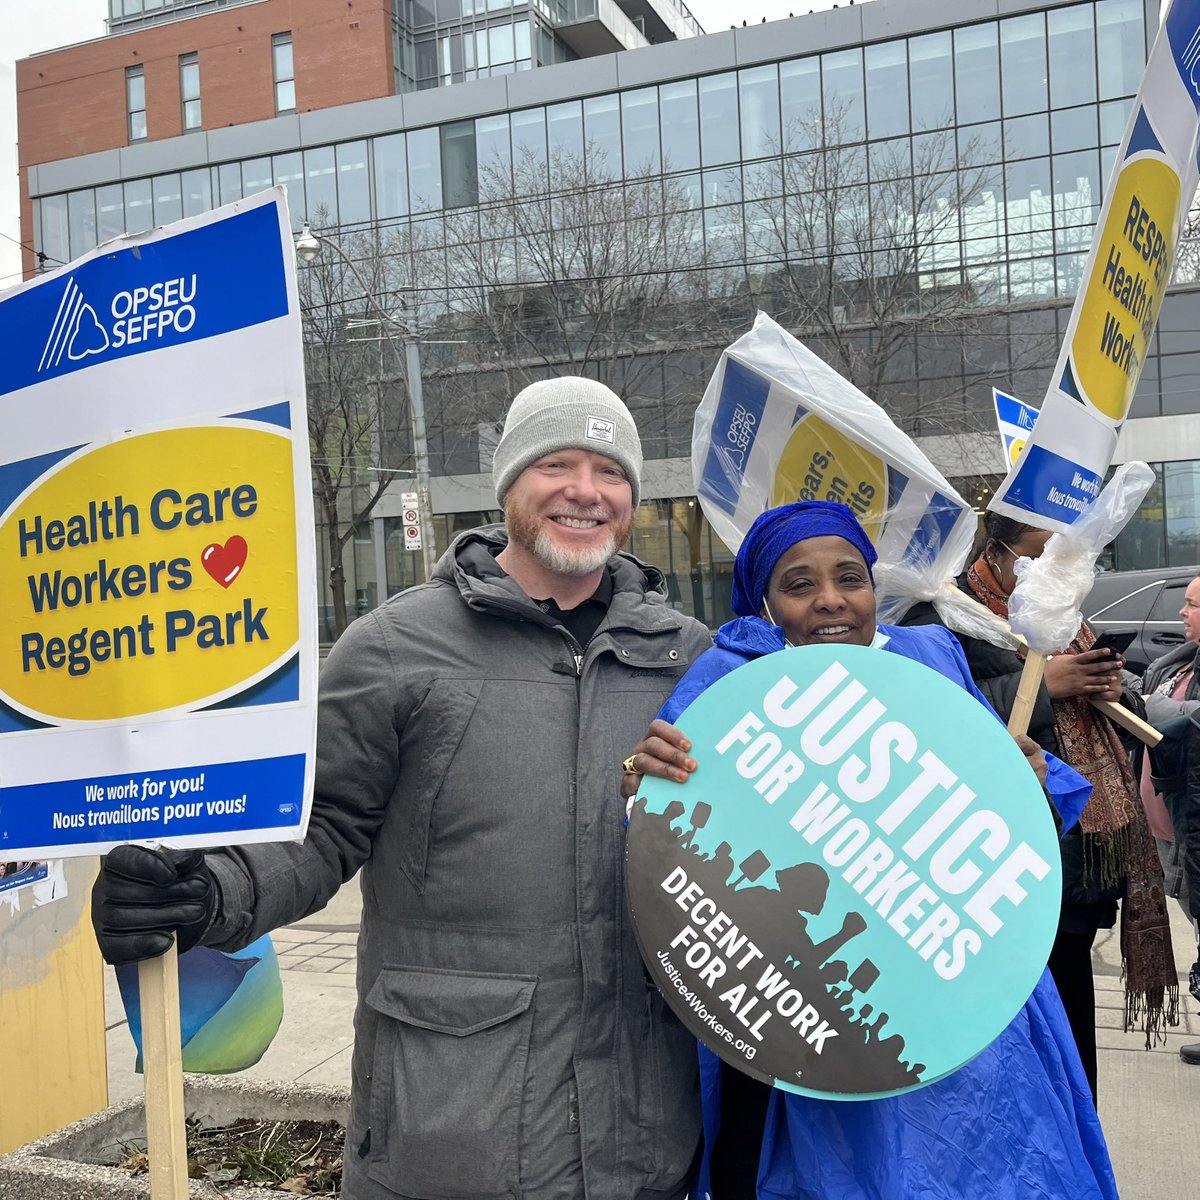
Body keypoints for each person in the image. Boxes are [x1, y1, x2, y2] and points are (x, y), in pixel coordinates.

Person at [90, 377, 714, 1200]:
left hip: (646, 1128)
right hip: (453, 1122)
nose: (584, 492)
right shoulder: (394, 646)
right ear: (509, 484)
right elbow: (322, 827)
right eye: (556, 464)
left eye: (609, 472)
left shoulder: (694, 660)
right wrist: (206, 890)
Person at [622, 500, 1117, 1200]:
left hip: (963, 1009)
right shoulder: (727, 683)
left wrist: (1022, 777)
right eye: (799, 584)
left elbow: (1011, 819)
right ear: (764, 600)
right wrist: (644, 786)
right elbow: (673, 855)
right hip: (817, 1020)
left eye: (849, 577)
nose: (830, 599)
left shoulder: (930, 655)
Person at [901, 511, 1177, 1104]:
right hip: (987, 863)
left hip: (1078, 861)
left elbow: (1118, 712)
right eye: (1036, 555)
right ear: (996, 552)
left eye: (1063, 557)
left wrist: (1110, 686)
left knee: (1072, 1037)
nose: (1049, 569)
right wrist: (1042, 686)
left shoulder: (1062, 616)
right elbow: (931, 721)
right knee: (1001, 1042)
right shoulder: (941, 619)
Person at [1139, 571, 1200, 1063]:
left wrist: (1143, 704)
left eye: (1193, 605)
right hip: (1168, 824)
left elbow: (1185, 719)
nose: (1181, 612)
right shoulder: (1175, 663)